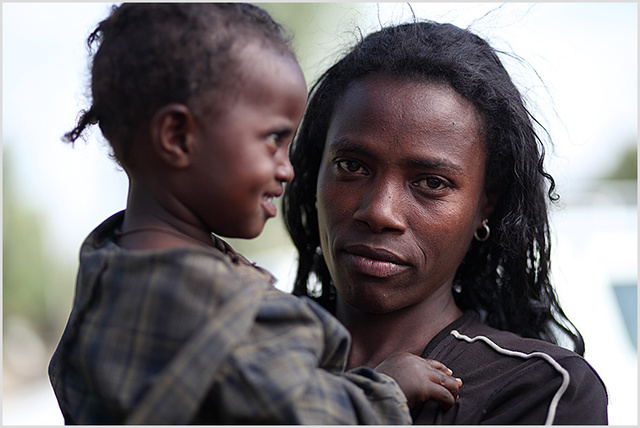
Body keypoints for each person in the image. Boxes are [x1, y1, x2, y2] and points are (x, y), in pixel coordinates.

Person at [48, 4, 465, 424]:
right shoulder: (221, 314)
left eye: (431, 182)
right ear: (176, 137)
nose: (288, 169)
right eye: (272, 139)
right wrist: (384, 389)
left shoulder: (108, 274)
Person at [283, 20, 608, 425]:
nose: (380, 211)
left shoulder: (537, 387)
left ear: (485, 204)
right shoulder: (237, 338)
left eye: (431, 183)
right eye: (352, 166)